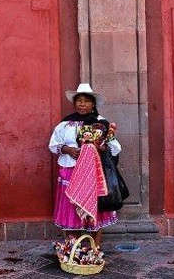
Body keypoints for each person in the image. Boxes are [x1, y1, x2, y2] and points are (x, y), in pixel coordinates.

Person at [48, 83, 122, 247]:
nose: (82, 104)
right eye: (79, 100)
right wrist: (67, 149)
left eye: (86, 101)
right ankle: (71, 249)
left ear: (93, 104)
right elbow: (53, 145)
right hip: (70, 172)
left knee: (93, 210)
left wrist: (102, 148)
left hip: (93, 174)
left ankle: (94, 249)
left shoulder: (101, 124)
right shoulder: (66, 123)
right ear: (74, 103)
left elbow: (115, 147)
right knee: (71, 211)